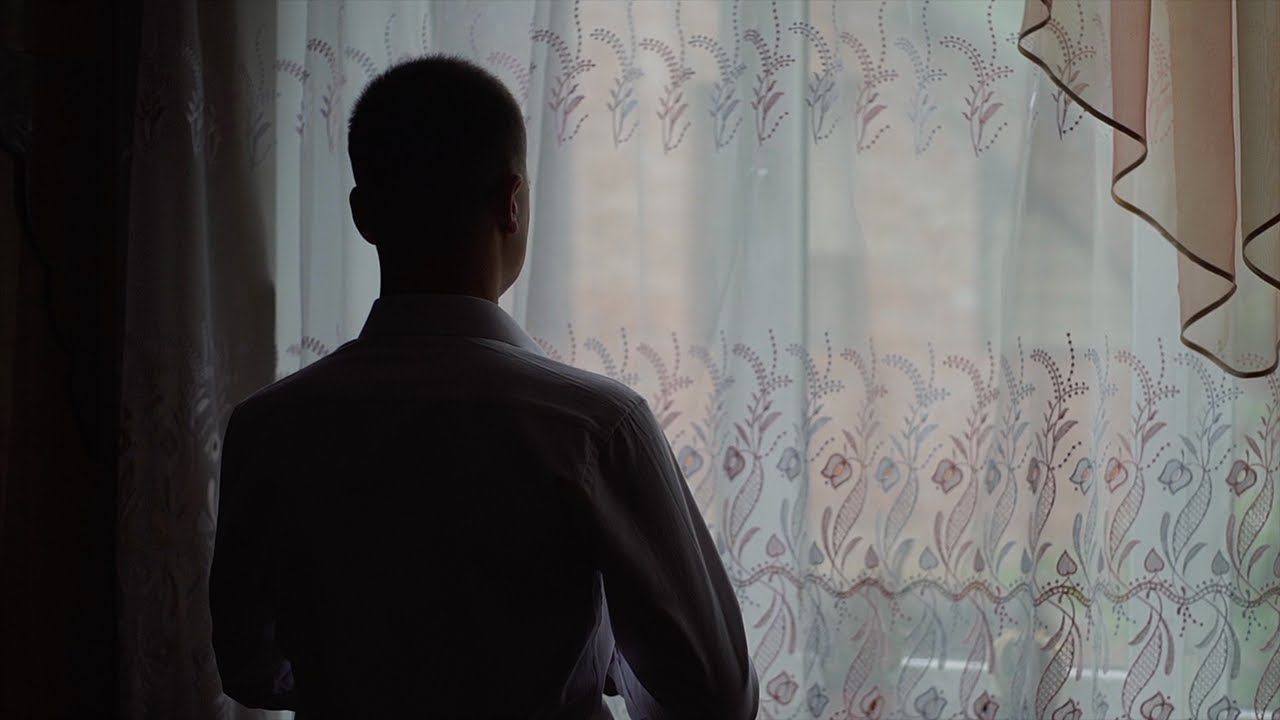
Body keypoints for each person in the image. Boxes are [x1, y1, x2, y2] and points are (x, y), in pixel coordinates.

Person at [209, 55, 758, 720]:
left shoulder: (267, 427)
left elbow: (247, 668)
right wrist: (593, 659)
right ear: (511, 200)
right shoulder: (594, 426)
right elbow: (715, 697)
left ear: (364, 214)